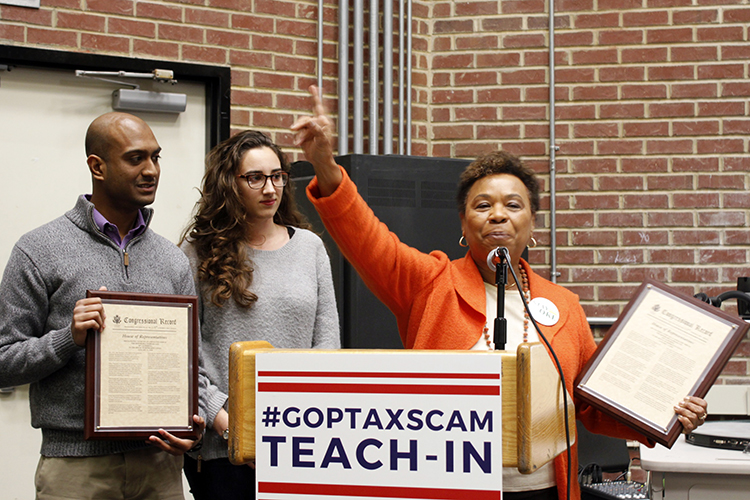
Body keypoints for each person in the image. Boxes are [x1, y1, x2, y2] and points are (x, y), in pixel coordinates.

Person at [291, 87, 708, 500]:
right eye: (482, 205)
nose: (497, 215)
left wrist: (666, 413)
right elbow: (368, 241)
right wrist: (325, 166)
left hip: (543, 488)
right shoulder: (429, 283)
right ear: (463, 221)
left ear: (531, 222)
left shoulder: (564, 306)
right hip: (451, 487)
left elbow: (592, 405)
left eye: (513, 204)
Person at [0, 112, 205, 500]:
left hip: (160, 467)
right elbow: (3, 360)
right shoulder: (38, 249)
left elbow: (191, 366)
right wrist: (67, 338)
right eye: (135, 158)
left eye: (156, 157)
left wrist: (191, 427)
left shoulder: (172, 259)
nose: (151, 170)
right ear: (97, 165)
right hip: (76, 468)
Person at [179, 129, 340, 499]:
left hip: (299, 441)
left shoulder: (310, 248)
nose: (270, 189)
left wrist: (293, 426)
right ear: (228, 184)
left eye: (277, 176)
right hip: (223, 449)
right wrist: (234, 427)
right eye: (255, 178)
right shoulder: (196, 253)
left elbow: (328, 345)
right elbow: (186, 356)